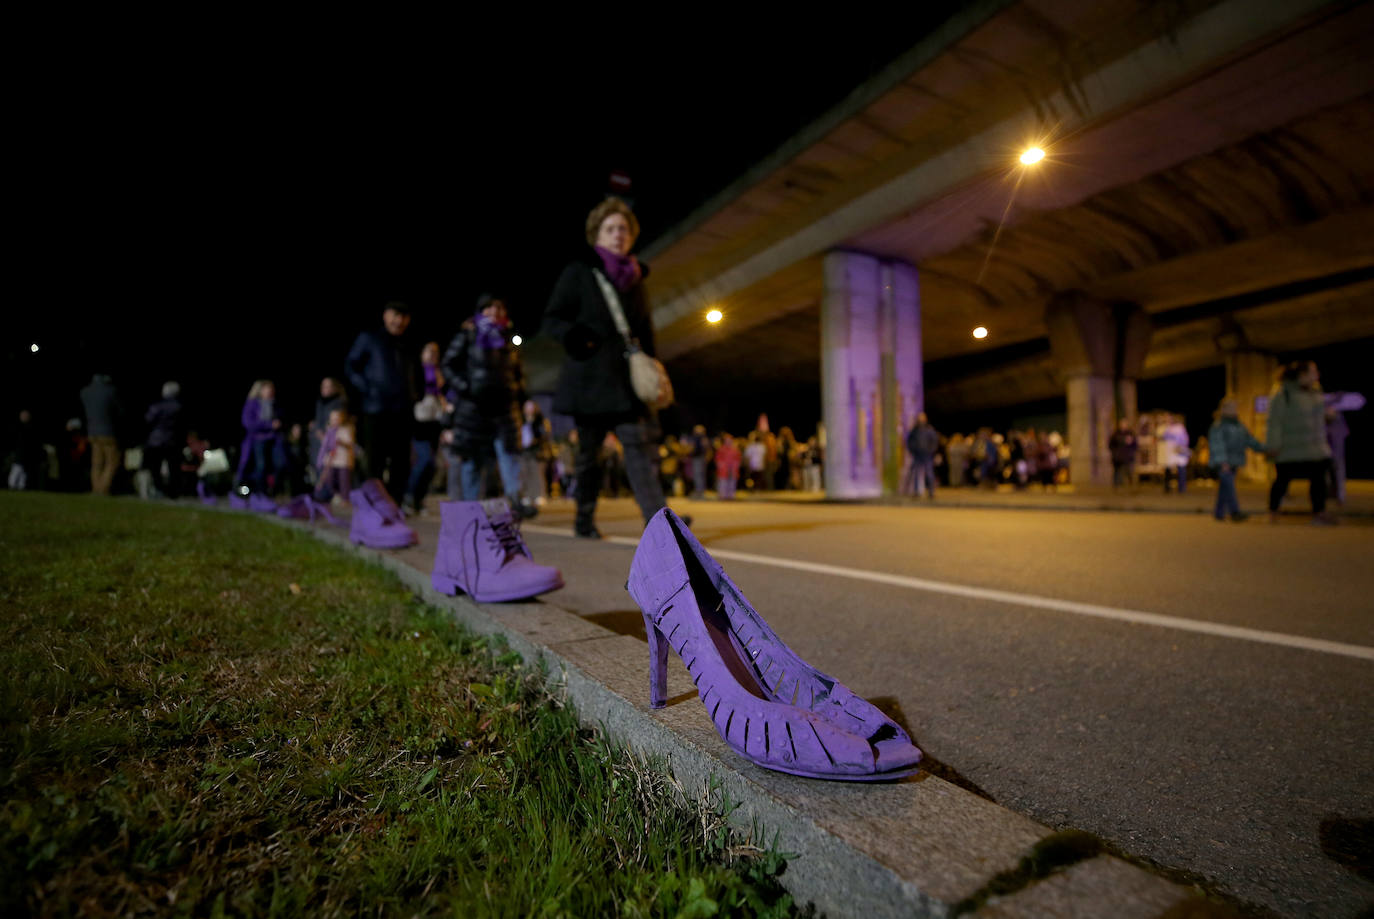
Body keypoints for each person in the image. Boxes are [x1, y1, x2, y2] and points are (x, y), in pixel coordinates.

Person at [542, 197, 678, 538]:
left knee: (640, 450)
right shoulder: (579, 272)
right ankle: (584, 519)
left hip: (627, 383)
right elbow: (552, 319)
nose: (618, 234)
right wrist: (574, 336)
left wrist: (654, 369)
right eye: (611, 228)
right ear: (597, 234)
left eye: (624, 229)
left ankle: (660, 524)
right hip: (591, 380)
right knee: (589, 456)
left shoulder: (636, 278)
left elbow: (645, 333)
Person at [441, 295, 531, 514]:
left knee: (509, 453)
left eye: (499, 307)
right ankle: (470, 504)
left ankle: (515, 500)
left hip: (504, 407)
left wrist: (519, 392)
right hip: (474, 407)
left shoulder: (509, 337)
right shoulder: (469, 334)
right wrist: (466, 387)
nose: (494, 312)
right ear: (481, 311)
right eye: (489, 307)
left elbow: (517, 371)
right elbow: (448, 364)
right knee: (472, 457)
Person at [345, 302, 417, 503]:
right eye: (395, 315)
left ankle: (395, 504)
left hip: (403, 409)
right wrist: (368, 389)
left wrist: (414, 395)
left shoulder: (408, 343)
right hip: (376, 408)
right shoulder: (370, 339)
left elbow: (415, 373)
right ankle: (373, 505)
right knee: (375, 460)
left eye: (404, 316)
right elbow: (351, 366)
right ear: (385, 315)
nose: (399, 321)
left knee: (401, 461)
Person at [1266, 360, 1334, 524]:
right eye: (1313, 372)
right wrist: (1273, 446)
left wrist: (1329, 416)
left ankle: (1319, 512)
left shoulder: (1316, 393)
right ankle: (1273, 512)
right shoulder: (1283, 395)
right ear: (1301, 375)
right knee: (1282, 480)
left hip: (1315, 448)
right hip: (1290, 449)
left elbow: (1318, 419)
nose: (1316, 375)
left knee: (1319, 480)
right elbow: (1274, 422)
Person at [405, 341, 447, 514]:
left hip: (435, 420)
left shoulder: (440, 372)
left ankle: (419, 499)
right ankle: (408, 496)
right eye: (429, 350)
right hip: (420, 420)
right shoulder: (417, 370)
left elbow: (442, 392)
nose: (432, 354)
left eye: (435, 351)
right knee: (424, 460)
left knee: (432, 464)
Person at [1207, 397, 1263, 522]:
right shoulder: (1219, 425)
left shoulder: (1238, 425)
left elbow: (1249, 440)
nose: (1234, 410)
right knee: (1229, 486)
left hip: (1234, 461)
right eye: (1231, 408)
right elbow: (1217, 445)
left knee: (1224, 488)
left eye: (1235, 408)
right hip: (1224, 463)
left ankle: (1219, 513)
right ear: (1223, 409)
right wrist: (1222, 461)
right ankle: (1234, 511)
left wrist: (1265, 449)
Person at [237, 380, 287, 493]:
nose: (270, 391)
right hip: (257, 439)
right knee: (260, 466)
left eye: (271, 389)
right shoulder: (252, 403)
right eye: (267, 389)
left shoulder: (275, 404)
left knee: (279, 464)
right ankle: (258, 492)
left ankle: (273, 490)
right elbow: (248, 423)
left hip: (274, 439)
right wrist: (269, 425)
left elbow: (282, 419)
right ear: (260, 390)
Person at [80, 372, 123, 495]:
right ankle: (103, 488)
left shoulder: (85, 392)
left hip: (92, 432)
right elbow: (120, 411)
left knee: (97, 463)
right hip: (108, 431)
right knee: (112, 462)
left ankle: (96, 488)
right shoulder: (111, 391)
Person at [143, 381, 183, 498]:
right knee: (173, 467)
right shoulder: (179, 407)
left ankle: (159, 489)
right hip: (173, 440)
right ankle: (173, 491)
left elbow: (148, 420)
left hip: (156, 440)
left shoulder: (157, 406)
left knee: (155, 467)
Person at [314, 407, 355, 504]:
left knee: (343, 480)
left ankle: (345, 498)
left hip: (343, 460)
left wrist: (341, 442)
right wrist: (322, 438)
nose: (334, 421)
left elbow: (350, 443)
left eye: (337, 419)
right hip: (331, 460)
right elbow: (326, 444)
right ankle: (333, 495)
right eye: (333, 419)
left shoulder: (346, 429)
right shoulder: (329, 431)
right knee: (329, 478)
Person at [905, 412, 940, 499]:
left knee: (929, 473)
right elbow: (909, 441)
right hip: (917, 454)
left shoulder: (929, 429)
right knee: (916, 473)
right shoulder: (915, 430)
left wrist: (931, 450)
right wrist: (912, 450)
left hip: (927, 455)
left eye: (923, 417)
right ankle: (916, 492)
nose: (921, 419)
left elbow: (934, 441)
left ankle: (931, 491)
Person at [1160, 415, 1190, 494]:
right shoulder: (1169, 428)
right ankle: (1175, 487)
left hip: (1177, 451)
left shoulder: (1178, 428)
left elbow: (1184, 440)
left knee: (1179, 470)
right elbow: (1164, 437)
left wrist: (1180, 446)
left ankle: (1179, 487)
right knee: (1171, 469)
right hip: (1172, 451)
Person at [1108, 419, 1138, 488]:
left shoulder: (1130, 433)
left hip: (1127, 456)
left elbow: (1135, 444)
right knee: (1116, 471)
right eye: (1122, 424)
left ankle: (1130, 485)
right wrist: (1114, 452)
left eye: (1124, 424)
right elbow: (1111, 444)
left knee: (1128, 471)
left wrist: (1131, 451)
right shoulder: (1116, 434)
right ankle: (1116, 486)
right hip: (1117, 456)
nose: (1123, 426)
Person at [714, 433, 741, 500]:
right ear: (724, 441)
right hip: (724, 469)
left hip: (732, 469)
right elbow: (718, 460)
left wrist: (735, 466)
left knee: (732, 482)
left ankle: (731, 495)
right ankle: (723, 495)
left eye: (730, 440)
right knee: (723, 482)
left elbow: (738, 459)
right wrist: (722, 466)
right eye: (727, 440)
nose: (729, 441)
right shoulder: (721, 449)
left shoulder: (735, 450)